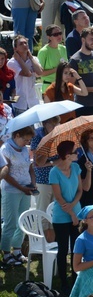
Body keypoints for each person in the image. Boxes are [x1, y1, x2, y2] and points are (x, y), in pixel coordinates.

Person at [50, 140, 86, 292]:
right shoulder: (54, 172)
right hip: (61, 216)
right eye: (74, 152)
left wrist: (74, 206)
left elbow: (80, 190)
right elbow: (58, 197)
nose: (77, 154)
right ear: (66, 155)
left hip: (76, 212)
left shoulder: (76, 167)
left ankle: (76, 280)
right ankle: (64, 284)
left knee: (76, 250)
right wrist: (71, 213)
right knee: (63, 249)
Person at [0, 126, 35, 267]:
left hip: (25, 189)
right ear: (17, 135)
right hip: (11, 191)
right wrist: (21, 187)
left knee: (23, 221)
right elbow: (5, 173)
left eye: (29, 140)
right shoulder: (5, 149)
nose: (26, 142)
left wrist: (33, 183)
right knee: (10, 222)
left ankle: (17, 250)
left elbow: (30, 168)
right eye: (25, 139)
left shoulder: (24, 149)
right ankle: (6, 252)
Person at [7, 35, 41, 115]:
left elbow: (39, 72)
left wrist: (31, 57)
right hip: (19, 104)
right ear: (15, 48)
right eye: (21, 44)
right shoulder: (12, 63)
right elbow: (27, 73)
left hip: (33, 102)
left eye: (26, 43)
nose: (24, 45)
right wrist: (19, 59)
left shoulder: (34, 60)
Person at [37, 25, 67, 90]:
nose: (59, 36)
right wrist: (57, 69)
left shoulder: (63, 48)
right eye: (55, 34)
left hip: (63, 86)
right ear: (49, 37)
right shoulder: (43, 51)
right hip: (49, 87)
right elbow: (39, 73)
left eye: (60, 33)